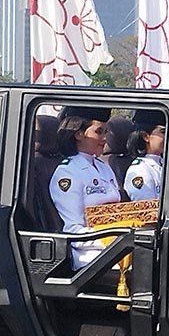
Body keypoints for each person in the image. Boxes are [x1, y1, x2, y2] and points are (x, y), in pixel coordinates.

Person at [49, 112, 121, 269]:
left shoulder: (104, 167)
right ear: (79, 134)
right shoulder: (67, 172)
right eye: (98, 132)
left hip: (116, 246)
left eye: (106, 132)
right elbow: (73, 231)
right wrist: (109, 239)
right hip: (89, 256)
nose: (104, 138)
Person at [124, 112, 166, 202]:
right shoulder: (140, 170)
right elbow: (146, 211)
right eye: (163, 132)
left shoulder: (164, 164)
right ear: (146, 136)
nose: (168, 137)